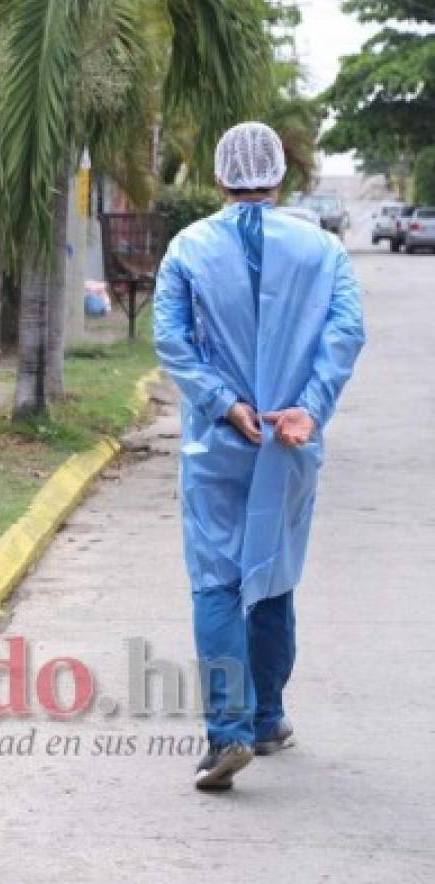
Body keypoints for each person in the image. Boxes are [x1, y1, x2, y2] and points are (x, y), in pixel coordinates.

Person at [153, 122, 365, 791]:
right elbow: (345, 329)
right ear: (278, 176)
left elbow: (170, 338)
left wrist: (221, 401)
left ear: (219, 178)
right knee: (271, 573)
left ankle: (227, 733)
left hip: (218, 440)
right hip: (290, 440)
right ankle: (267, 718)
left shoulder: (188, 247)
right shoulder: (321, 248)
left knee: (215, 580)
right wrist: (308, 406)